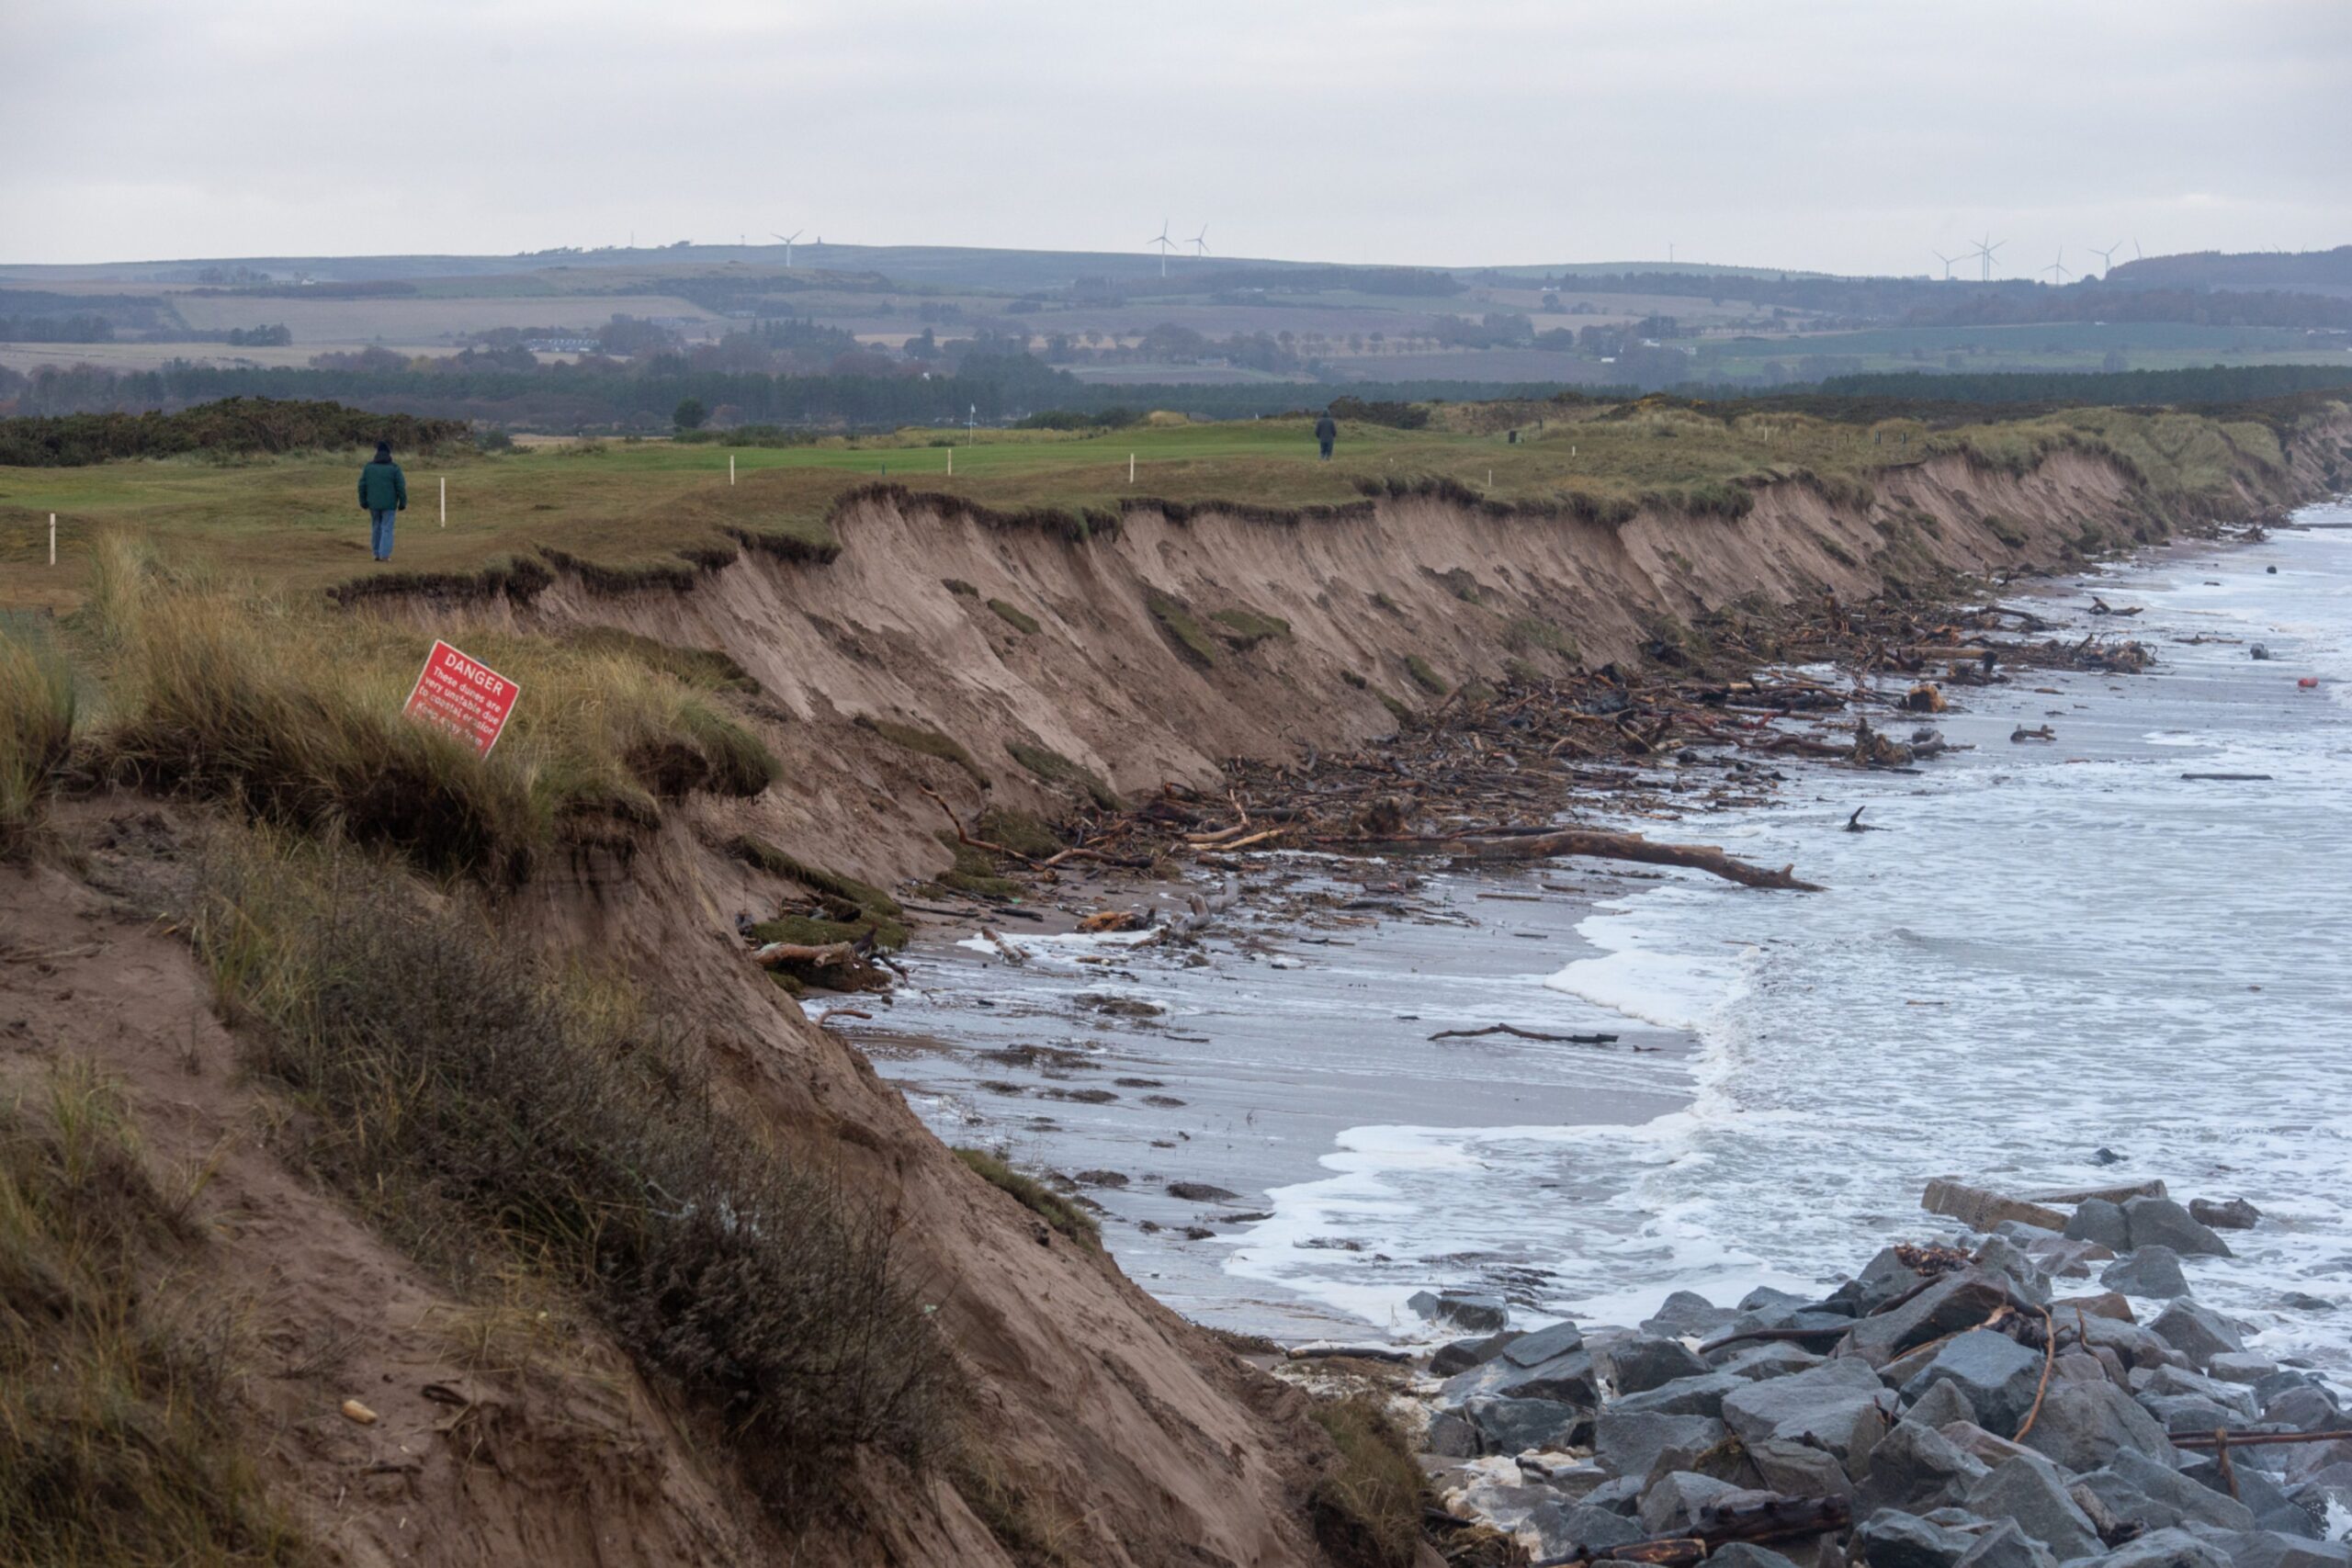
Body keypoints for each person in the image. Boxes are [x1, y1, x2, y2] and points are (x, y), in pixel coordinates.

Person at [358, 440, 407, 561]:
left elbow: (362, 486)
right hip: (389, 505)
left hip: (373, 504)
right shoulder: (394, 468)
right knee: (387, 528)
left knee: (376, 527)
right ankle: (384, 555)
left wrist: (363, 501)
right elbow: (400, 487)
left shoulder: (369, 467)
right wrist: (402, 502)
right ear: (389, 453)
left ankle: (376, 553)